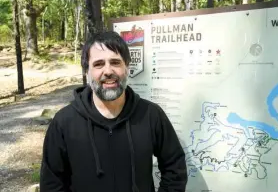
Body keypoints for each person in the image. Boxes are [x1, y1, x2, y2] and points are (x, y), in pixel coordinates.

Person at [40, 31, 188, 192]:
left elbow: (175, 168)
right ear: (86, 71)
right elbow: (52, 183)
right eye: (98, 64)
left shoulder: (151, 115)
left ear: (127, 68)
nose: (108, 71)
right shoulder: (64, 122)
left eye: (115, 62)